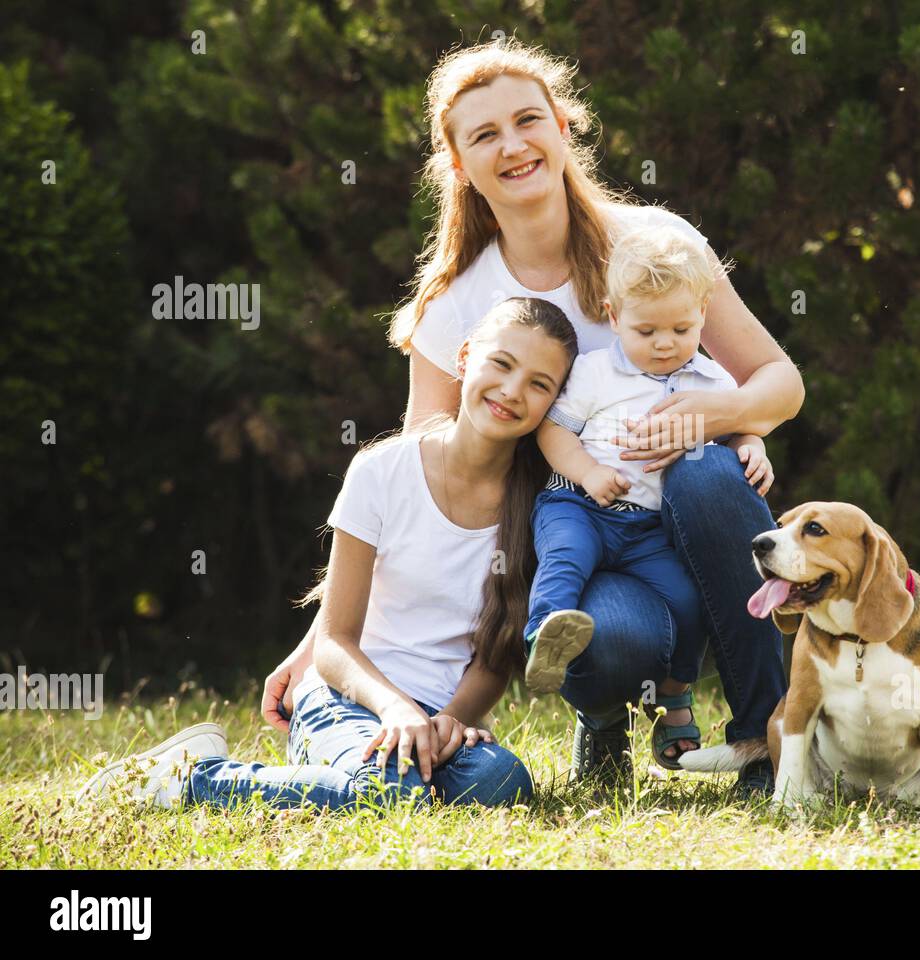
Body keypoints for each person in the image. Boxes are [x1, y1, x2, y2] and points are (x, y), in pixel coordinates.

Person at [262, 38, 804, 796]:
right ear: (458, 163)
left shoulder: (656, 246)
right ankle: (605, 717)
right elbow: (417, 477)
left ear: (563, 125)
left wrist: (727, 413)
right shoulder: (452, 305)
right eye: (485, 135)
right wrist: (326, 638)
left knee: (708, 473)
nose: (513, 146)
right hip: (569, 535)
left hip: (682, 524)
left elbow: (782, 383)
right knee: (599, 638)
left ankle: (766, 738)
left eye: (528, 120)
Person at [79, 299, 576, 811]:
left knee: (503, 782)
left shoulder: (542, 504)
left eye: (540, 384)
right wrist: (395, 709)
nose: (513, 391)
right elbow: (334, 643)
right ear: (467, 357)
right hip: (346, 698)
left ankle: (363, 779)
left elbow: (497, 652)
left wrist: (452, 718)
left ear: (553, 403)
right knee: (392, 792)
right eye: (502, 364)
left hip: (441, 715)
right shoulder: (381, 471)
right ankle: (190, 777)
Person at [522, 227, 775, 773]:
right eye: (646, 330)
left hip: (646, 530)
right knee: (565, 559)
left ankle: (675, 694)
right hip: (579, 506)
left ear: (704, 314)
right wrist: (589, 473)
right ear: (613, 318)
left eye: (682, 328)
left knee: (687, 599)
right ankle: (545, 638)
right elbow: (553, 432)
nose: (665, 342)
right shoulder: (594, 372)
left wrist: (753, 445)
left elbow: (741, 424)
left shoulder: (712, 378)